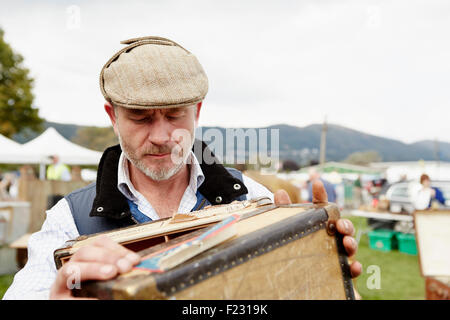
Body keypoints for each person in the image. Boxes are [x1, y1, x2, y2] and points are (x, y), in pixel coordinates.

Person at [3, 36, 361, 300]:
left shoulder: (256, 199)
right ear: (112, 116)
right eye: (140, 118)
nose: (161, 136)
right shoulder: (68, 220)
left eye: (175, 115)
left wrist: (320, 268)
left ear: (198, 112)